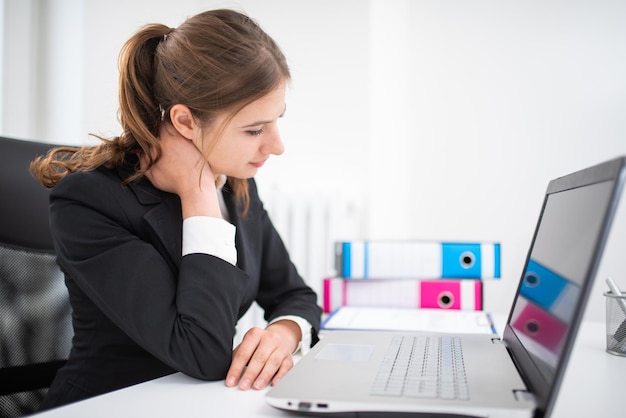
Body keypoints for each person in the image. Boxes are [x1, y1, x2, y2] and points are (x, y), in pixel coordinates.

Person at [30, 9, 321, 410]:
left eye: (275, 122)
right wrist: (198, 193)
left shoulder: (236, 182)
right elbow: (201, 352)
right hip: (110, 406)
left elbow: (294, 293)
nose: (276, 145)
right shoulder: (89, 201)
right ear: (185, 120)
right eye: (254, 129)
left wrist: (286, 332)